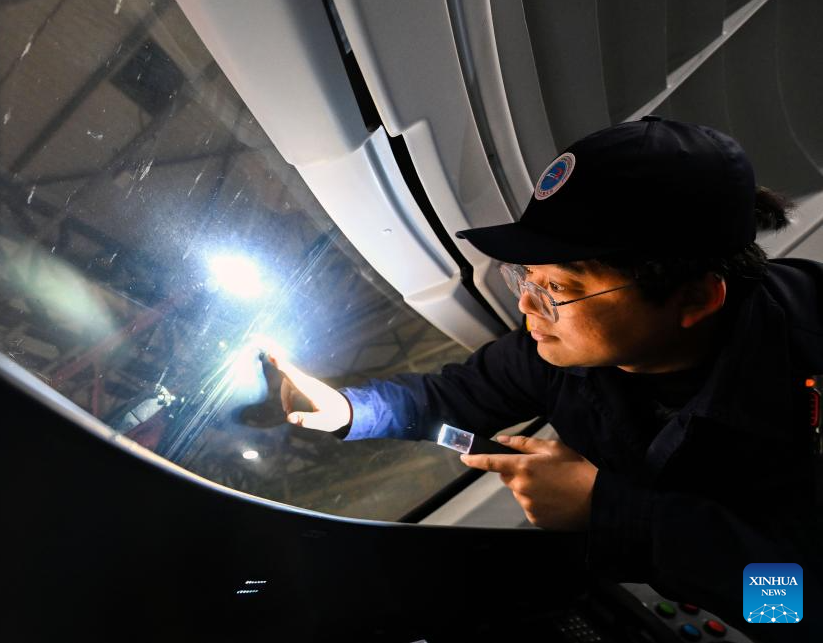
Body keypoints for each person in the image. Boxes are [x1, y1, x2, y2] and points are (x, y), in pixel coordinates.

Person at [269, 116, 823, 642]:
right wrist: (350, 410)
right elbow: (452, 396)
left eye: (559, 289)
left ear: (694, 298)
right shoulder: (562, 348)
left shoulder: (806, 373)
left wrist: (611, 511)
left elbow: (797, 604)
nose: (528, 307)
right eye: (526, 276)